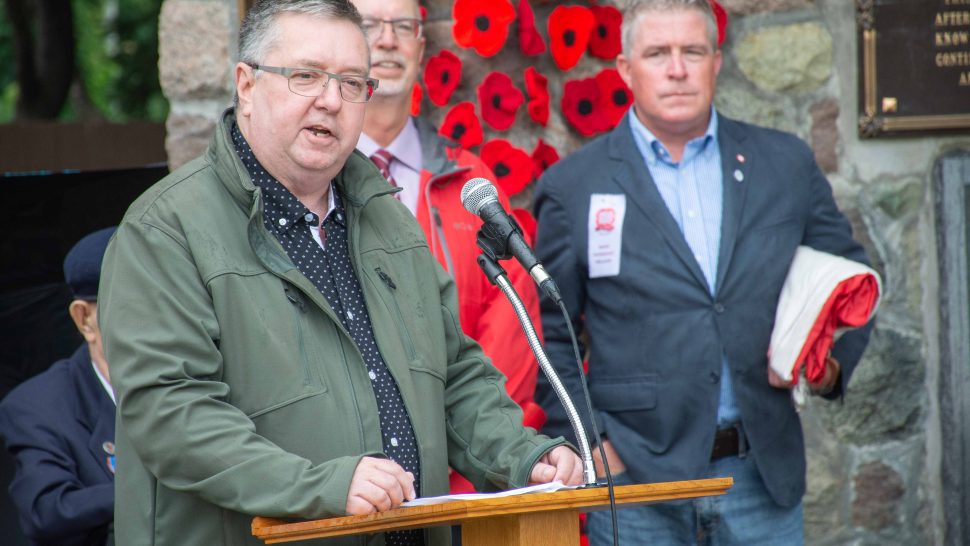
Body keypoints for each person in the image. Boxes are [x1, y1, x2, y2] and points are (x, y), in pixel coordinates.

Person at [98, 2, 582, 545]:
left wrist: (522, 457)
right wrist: (317, 487)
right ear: (246, 86)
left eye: (352, 83)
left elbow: (454, 375)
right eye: (306, 76)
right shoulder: (165, 230)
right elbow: (171, 412)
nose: (331, 100)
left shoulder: (387, 219)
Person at [532, 1, 873, 544]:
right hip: (638, 490)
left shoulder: (783, 164)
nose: (677, 69)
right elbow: (552, 334)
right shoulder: (574, 186)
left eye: (692, 51)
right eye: (657, 53)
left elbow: (851, 277)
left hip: (759, 479)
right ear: (625, 69)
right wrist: (591, 444)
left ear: (716, 61)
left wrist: (827, 365)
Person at [348, 0, 546, 493]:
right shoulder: (313, 180)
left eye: (403, 26)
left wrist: (469, 450)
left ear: (420, 46)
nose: (387, 39)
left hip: (466, 476)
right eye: (369, 25)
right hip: (353, 477)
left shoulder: (469, 180)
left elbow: (511, 321)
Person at [0, 227, 117, 546]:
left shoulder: (207, 376)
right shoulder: (39, 405)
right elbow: (48, 510)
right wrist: (157, 492)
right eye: (132, 308)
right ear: (84, 319)